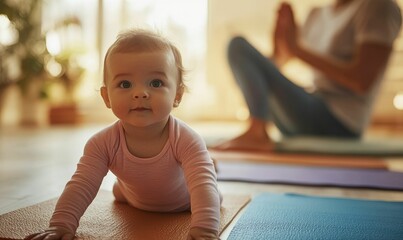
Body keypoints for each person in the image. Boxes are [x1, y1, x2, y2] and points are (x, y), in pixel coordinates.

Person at [26, 29, 222, 240]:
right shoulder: (101, 144)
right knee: (119, 193)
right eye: (125, 84)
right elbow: (81, 185)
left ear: (178, 95)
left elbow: (202, 186)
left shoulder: (186, 140)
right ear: (106, 97)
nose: (140, 93)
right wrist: (60, 225)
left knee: (211, 193)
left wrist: (205, 230)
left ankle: (207, 163)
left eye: (156, 83)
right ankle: (127, 189)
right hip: (132, 198)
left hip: (184, 202)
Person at [212, 0, 402, 152]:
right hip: (308, 109)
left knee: (238, 45)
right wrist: (280, 45)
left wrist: (296, 49)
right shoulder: (316, 14)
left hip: (339, 122)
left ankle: (257, 131)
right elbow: (279, 62)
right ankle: (257, 129)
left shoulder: (378, 6)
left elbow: (363, 81)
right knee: (238, 50)